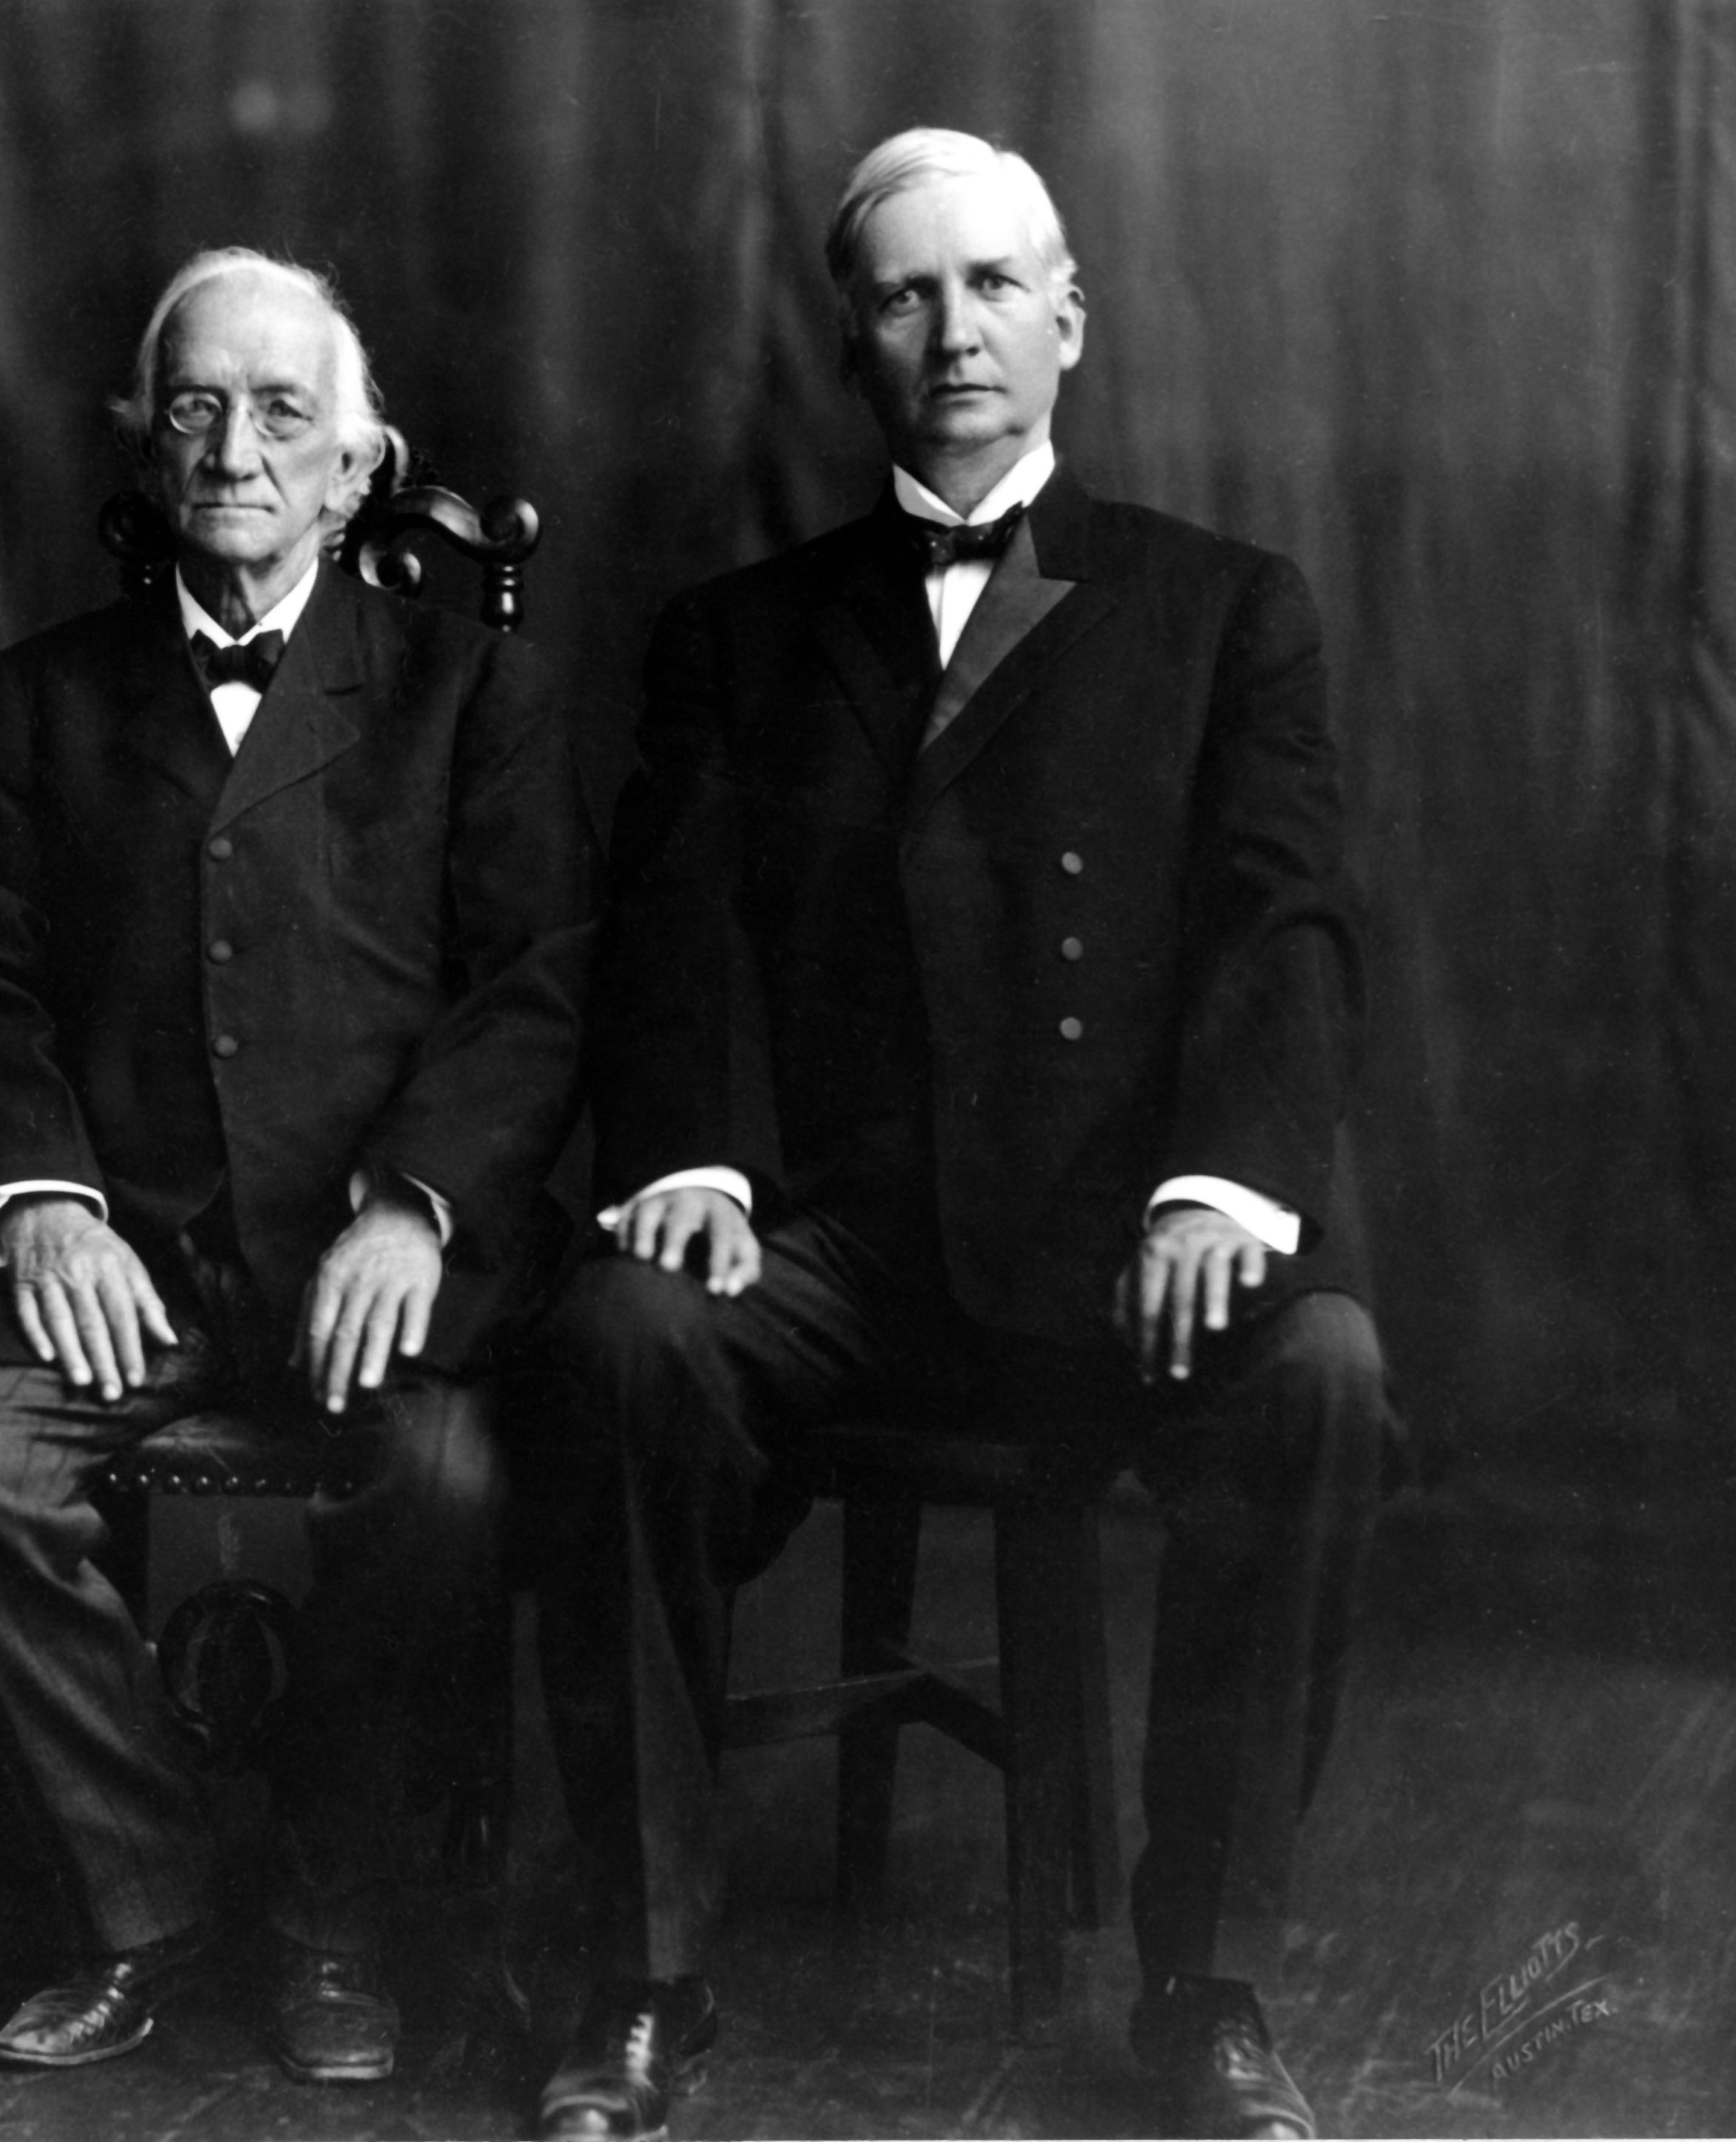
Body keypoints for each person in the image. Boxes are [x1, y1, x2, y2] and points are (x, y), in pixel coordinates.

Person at [530, 130, 1386, 2142]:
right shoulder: (740, 635)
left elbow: (1290, 922)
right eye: (908, 296)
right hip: (837, 1248)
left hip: (1118, 1250)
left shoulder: (1221, 607)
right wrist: (698, 1161)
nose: (955, 331)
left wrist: (1220, 1187)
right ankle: (645, 1978)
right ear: (855, 346)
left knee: (1325, 1372)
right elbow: (668, 925)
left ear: (1068, 322)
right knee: (614, 1345)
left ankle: (1211, 1982)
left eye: (994, 286)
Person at [0, 247, 594, 2085]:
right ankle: (154, 1896)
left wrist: (417, 1206)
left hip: (365, 1265)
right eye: (195, 404)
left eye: (285, 412)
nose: (236, 448)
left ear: (361, 467)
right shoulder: (30, 703)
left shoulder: (469, 690)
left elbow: (535, 987)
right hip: (126, 1261)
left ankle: (335, 1916)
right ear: (146, 443)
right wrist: (42, 1199)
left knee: (442, 1479)